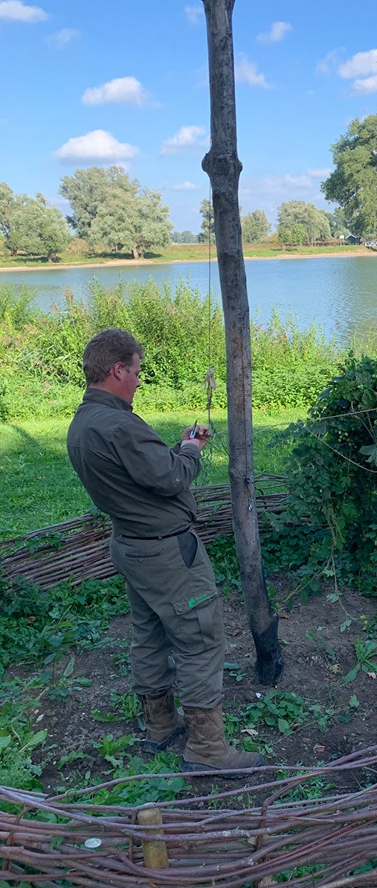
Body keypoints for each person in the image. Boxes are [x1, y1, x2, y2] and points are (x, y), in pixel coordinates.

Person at [67, 328, 261, 775]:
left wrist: (175, 450)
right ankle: (208, 748)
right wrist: (191, 451)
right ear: (117, 369)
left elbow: (145, 474)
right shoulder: (120, 425)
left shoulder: (85, 423)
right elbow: (172, 479)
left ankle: (159, 726)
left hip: (130, 546)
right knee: (200, 638)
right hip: (168, 554)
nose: (138, 381)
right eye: (136, 372)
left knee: (149, 633)